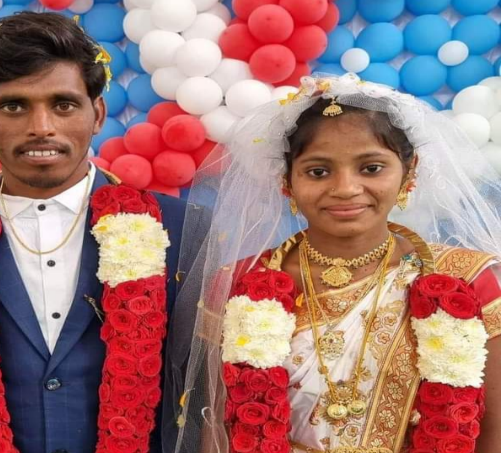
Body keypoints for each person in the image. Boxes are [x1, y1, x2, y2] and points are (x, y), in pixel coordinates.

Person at [0, 12, 186, 453]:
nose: (41, 127)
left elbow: (197, 388)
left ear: (97, 114)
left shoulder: (177, 226)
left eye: (63, 104)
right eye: (13, 106)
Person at [164, 74, 501, 453]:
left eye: (371, 168)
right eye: (318, 172)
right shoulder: (240, 282)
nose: (345, 188)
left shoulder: (465, 278)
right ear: (287, 181)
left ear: (409, 172)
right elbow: (218, 424)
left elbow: (493, 430)